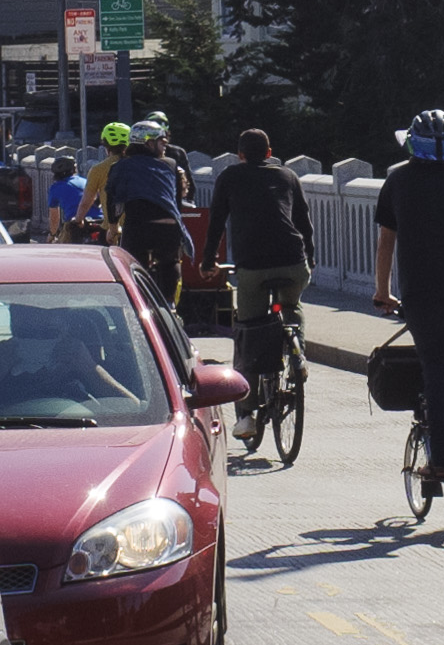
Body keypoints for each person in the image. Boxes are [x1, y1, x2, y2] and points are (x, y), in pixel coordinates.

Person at [369, 109, 444, 479]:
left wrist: (382, 292)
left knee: (436, 365)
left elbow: (386, 243)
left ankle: (442, 460)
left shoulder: (398, 181)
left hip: (423, 287)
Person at [197, 127, 312, 450]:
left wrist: (207, 263)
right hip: (293, 260)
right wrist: (310, 258)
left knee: (247, 331)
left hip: (253, 266)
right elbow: (304, 222)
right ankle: (298, 352)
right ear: (270, 150)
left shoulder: (230, 176)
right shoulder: (288, 176)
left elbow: (216, 222)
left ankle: (246, 416)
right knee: (292, 308)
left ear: (241, 155)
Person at [99, 117, 190, 301]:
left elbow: (113, 198)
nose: (165, 147)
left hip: (137, 226)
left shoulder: (122, 166)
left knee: (132, 265)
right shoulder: (171, 165)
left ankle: (138, 301)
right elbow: (175, 201)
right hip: (168, 225)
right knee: (169, 262)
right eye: (161, 143)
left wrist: (113, 225)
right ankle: (169, 305)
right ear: (148, 143)